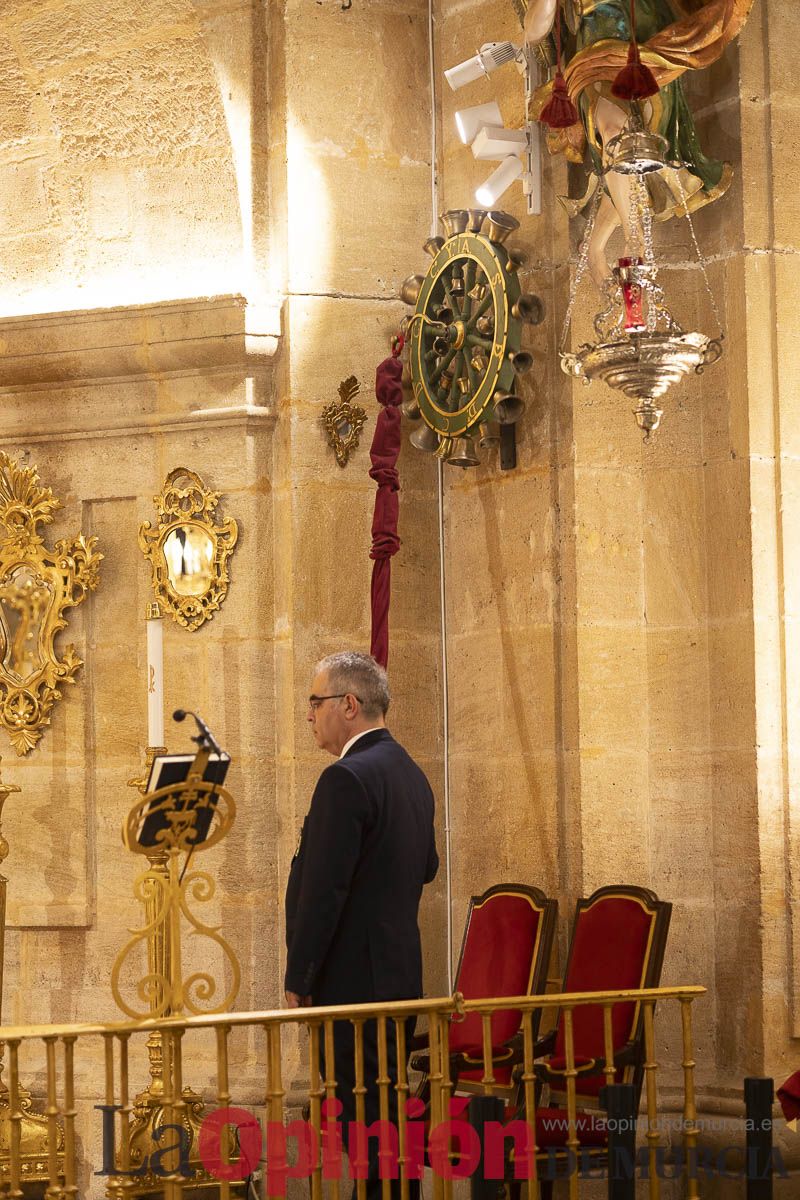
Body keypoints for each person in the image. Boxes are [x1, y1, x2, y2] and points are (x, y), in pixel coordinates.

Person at [284, 651, 439, 1197]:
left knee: (364, 1129)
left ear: (349, 705)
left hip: (351, 987)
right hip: (398, 978)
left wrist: (299, 978)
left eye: (316, 701)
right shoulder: (413, 775)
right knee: (388, 1121)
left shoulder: (345, 778)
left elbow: (324, 892)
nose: (310, 714)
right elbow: (427, 867)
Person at [523, 0, 755, 284]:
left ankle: (595, 245)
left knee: (630, 155)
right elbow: (534, 31)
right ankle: (636, 240)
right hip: (595, 55)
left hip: (649, 49)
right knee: (613, 130)